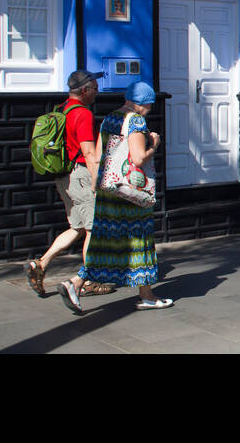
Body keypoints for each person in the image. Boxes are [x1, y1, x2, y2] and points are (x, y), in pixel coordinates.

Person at [60, 81, 172, 313]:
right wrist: (155, 144)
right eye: (150, 104)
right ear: (146, 102)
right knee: (139, 241)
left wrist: (96, 186)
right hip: (129, 194)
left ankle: (76, 283)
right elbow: (139, 158)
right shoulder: (136, 121)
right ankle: (147, 296)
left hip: (109, 189)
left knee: (108, 244)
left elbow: (99, 156)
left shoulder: (110, 118)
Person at [26, 70, 114, 297]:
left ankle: (41, 264)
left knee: (77, 227)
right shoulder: (83, 114)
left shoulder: (63, 108)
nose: (97, 92)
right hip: (82, 176)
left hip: (65, 177)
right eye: (95, 88)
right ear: (84, 90)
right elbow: (88, 151)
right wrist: (98, 182)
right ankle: (88, 282)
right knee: (93, 230)